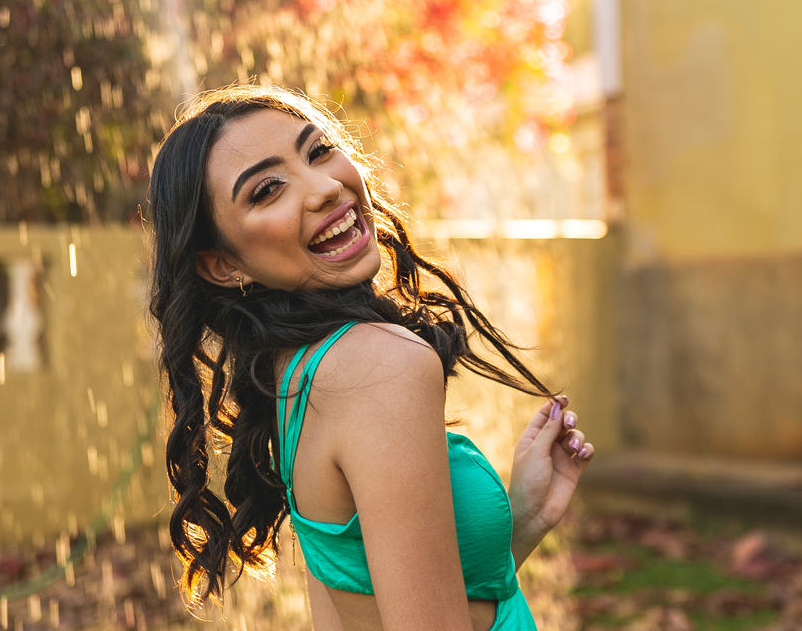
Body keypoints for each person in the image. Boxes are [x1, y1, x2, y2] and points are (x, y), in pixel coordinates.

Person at [147, 84, 595, 631]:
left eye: (318, 151)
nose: (325, 188)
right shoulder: (378, 366)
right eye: (267, 190)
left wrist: (519, 527)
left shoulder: (298, 379)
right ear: (221, 265)